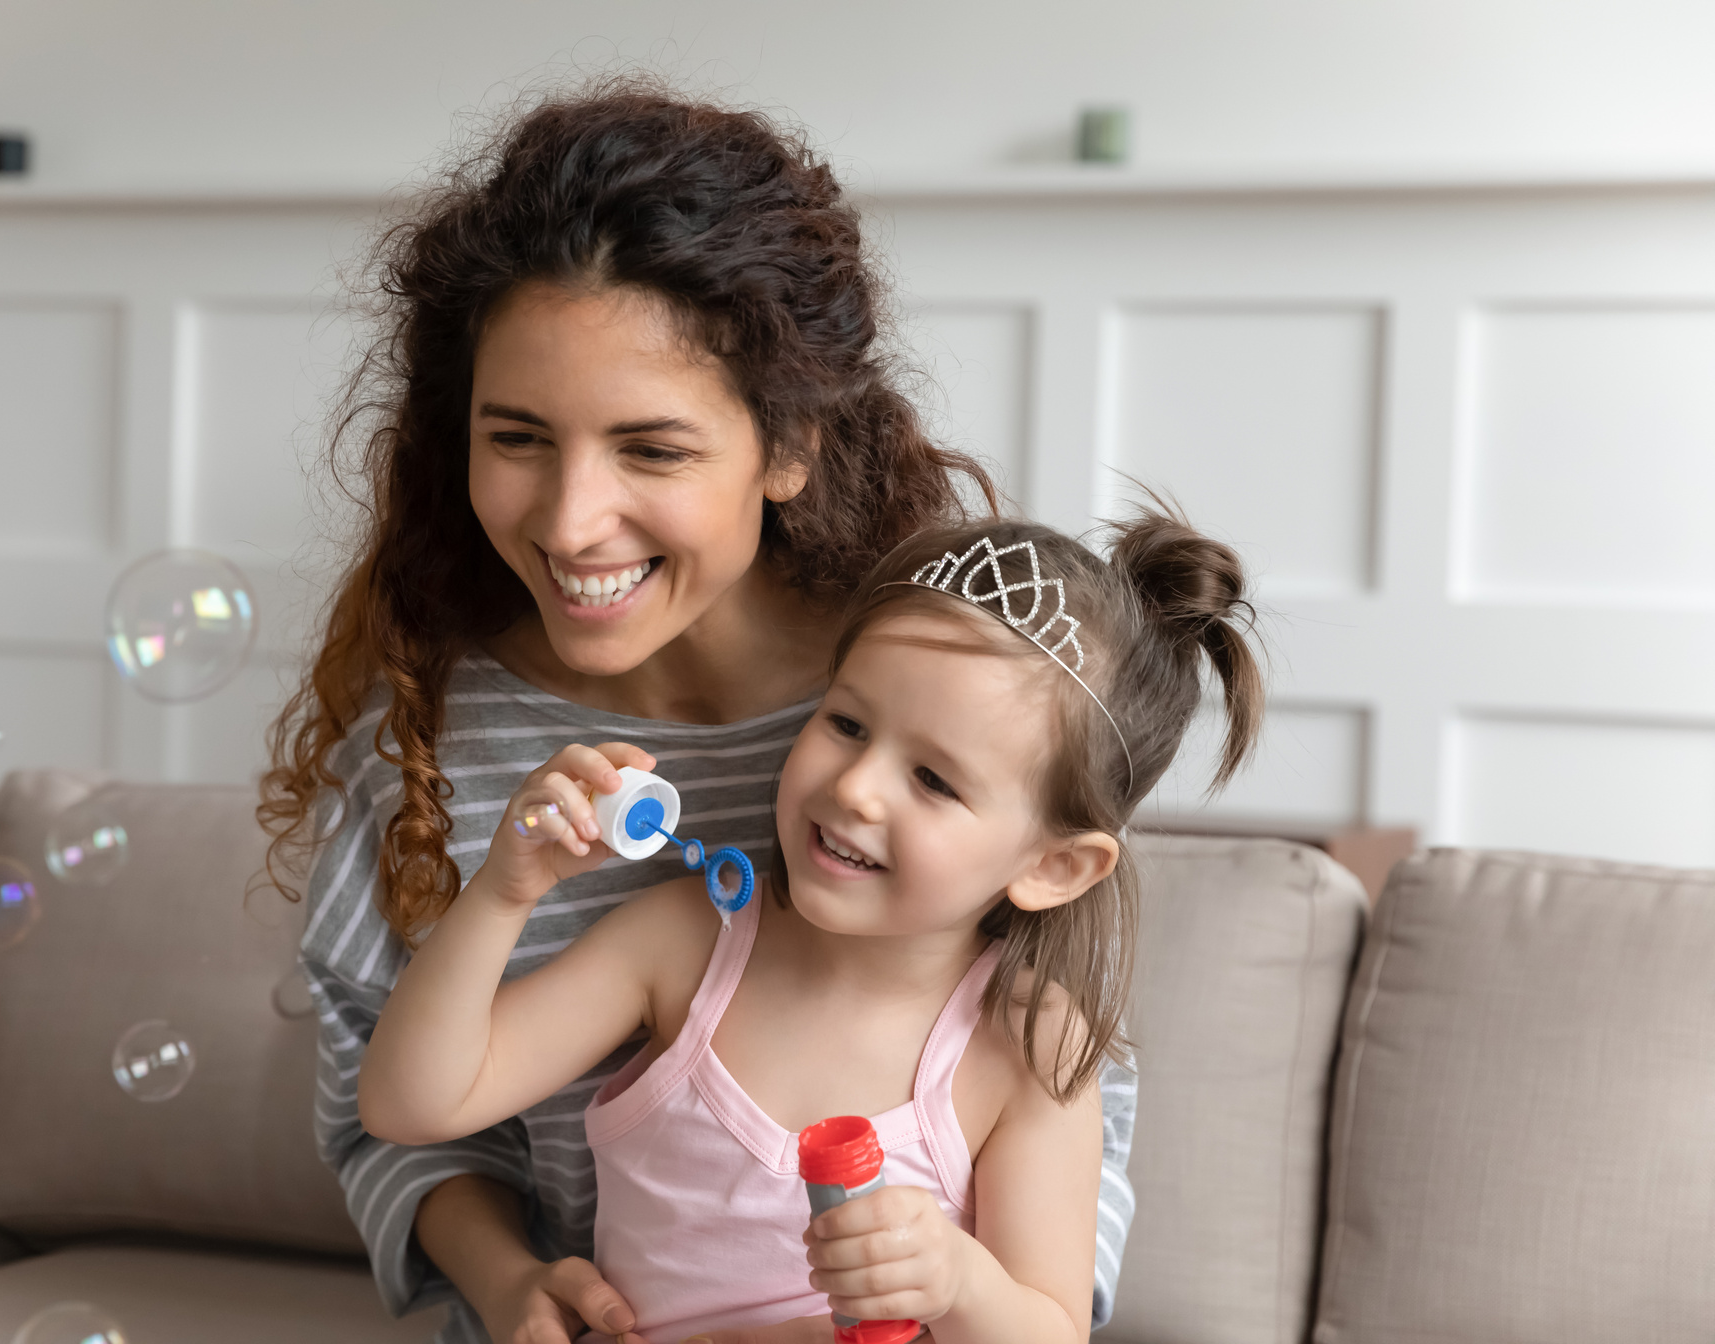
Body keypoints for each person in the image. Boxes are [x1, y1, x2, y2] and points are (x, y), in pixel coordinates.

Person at [262, 84, 1141, 1344]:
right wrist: (508, 1279)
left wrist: (957, 1289)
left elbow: (1064, 1122)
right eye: (517, 436)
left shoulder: (946, 709)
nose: (570, 523)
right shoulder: (425, 756)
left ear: (788, 449)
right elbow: (378, 1106)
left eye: (653, 450)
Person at [356, 515, 1263, 1344]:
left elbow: (1049, 1329)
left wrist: (958, 1283)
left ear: (1051, 867)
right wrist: (505, 895)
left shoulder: (1026, 1043)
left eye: (935, 781)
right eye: (847, 722)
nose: (856, 787)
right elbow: (412, 1103)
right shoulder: (685, 942)